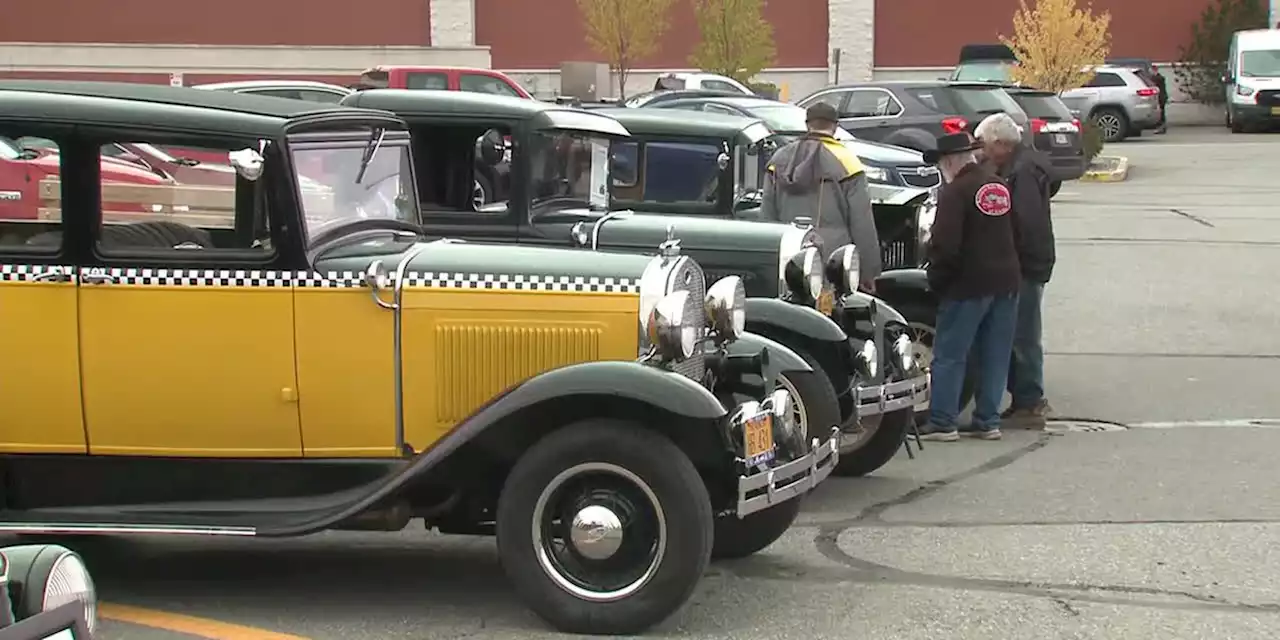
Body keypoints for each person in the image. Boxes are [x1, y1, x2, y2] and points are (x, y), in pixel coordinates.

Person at [917, 132, 1021, 442]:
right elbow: (1017, 231)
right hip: (1006, 280)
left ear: (948, 162)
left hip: (968, 284)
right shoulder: (998, 186)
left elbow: (946, 245)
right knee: (995, 353)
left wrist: (937, 280)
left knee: (951, 354)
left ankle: (942, 421)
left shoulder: (956, 192)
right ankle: (988, 420)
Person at [975, 113, 1056, 430]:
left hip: (1025, 264)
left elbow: (1026, 222)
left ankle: (1029, 401)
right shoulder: (1024, 166)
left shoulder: (1021, 173)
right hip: (1031, 261)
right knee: (1020, 332)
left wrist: (1008, 256)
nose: (981, 151)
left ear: (1000, 144)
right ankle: (1026, 398)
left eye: (984, 145)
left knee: (1022, 334)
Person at [760, 102, 882, 291]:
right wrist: (868, 271)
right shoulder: (847, 162)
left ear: (808, 124)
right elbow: (862, 221)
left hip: (789, 255)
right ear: (834, 126)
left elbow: (766, 214)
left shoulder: (778, 159)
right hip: (835, 260)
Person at [1151, 65, 1169, 134]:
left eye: (1152, 70)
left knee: (1161, 113)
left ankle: (1161, 127)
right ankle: (1162, 127)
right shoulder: (1158, 78)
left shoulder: (1159, 78)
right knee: (1161, 112)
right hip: (1161, 97)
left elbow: (1155, 82)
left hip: (1161, 97)